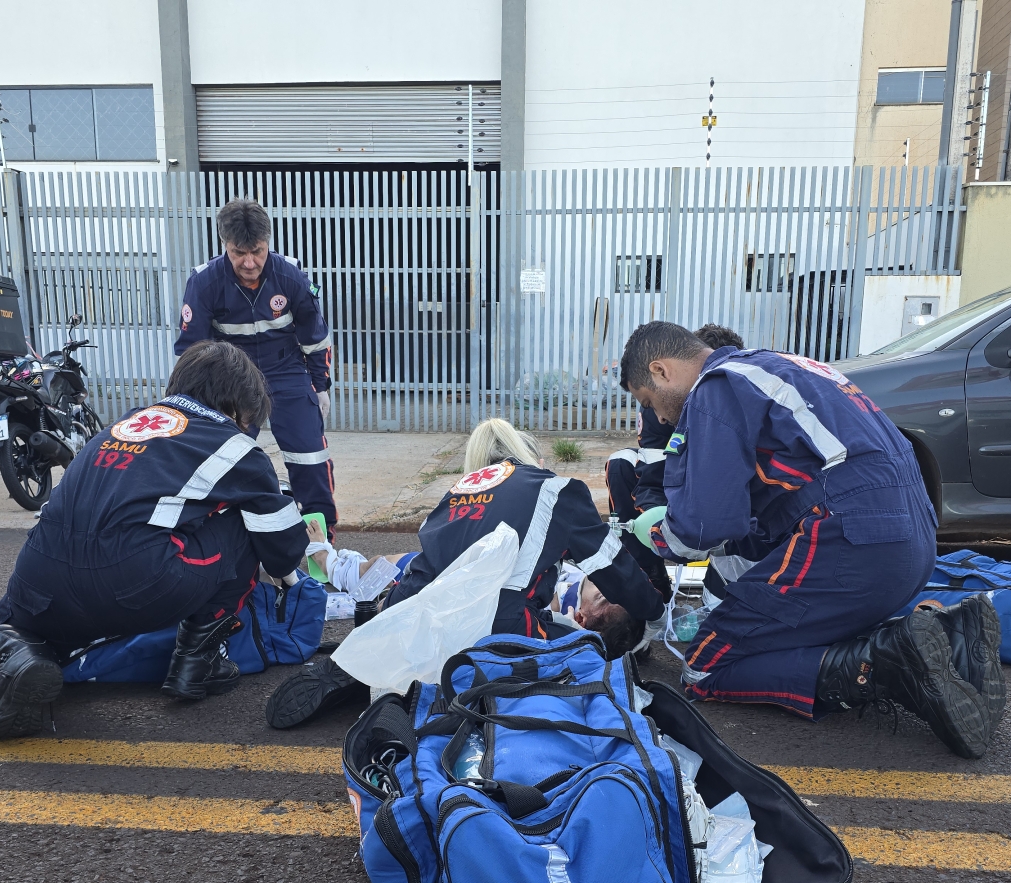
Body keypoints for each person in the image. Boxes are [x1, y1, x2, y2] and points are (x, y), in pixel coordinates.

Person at [620, 321, 1005, 760]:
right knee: (789, 630)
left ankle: (883, 666)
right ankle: (954, 638)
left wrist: (656, 531)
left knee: (706, 665)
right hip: (911, 541)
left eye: (648, 402)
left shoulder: (716, 389)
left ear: (661, 369)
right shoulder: (788, 367)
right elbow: (771, 514)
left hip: (850, 539)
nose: (660, 418)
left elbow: (703, 527)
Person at [0, 341, 309, 739]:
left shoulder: (122, 424)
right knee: (246, 520)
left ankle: (18, 650)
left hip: (38, 580)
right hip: (135, 585)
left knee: (31, 615)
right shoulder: (235, 446)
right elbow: (282, 548)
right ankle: (196, 661)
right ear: (238, 405)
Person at [265, 418, 667, 729]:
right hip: (498, 622)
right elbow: (611, 565)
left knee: (406, 645)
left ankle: (369, 666)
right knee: (582, 650)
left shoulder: (458, 491)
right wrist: (652, 612)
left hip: (415, 610)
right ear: (530, 457)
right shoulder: (557, 489)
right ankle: (454, 692)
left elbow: (423, 563)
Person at [175, 198, 338, 535]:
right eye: (239, 253)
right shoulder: (203, 283)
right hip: (230, 378)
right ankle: (221, 539)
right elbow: (192, 352)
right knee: (220, 461)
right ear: (224, 245)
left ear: (268, 243)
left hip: (286, 372)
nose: (249, 262)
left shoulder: (291, 277)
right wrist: (190, 404)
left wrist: (320, 387)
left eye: (258, 251)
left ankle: (322, 544)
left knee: (310, 459)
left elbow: (315, 339)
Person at [606, 323, 745, 600]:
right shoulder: (660, 409)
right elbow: (652, 476)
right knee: (621, 462)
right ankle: (652, 581)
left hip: (737, 520)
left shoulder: (741, 403)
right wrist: (658, 523)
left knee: (721, 605)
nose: (657, 416)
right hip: (678, 498)